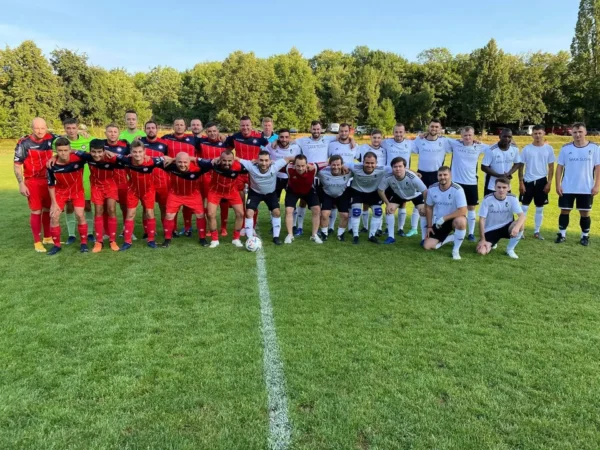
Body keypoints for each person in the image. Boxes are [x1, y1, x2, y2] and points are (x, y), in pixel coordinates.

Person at [105, 140, 165, 251]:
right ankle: (127, 241)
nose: (137, 154)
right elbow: (109, 154)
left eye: (140, 152)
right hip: (133, 190)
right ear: (131, 152)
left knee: (149, 212)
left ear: (144, 152)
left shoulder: (151, 161)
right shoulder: (126, 160)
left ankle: (151, 240)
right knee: (130, 213)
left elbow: (166, 159)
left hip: (148, 191)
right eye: (135, 152)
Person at [14, 117, 58, 252]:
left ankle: (47, 237)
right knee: (36, 210)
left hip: (49, 179)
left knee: (47, 209)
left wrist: (83, 133)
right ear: (32, 128)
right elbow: (17, 166)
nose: (40, 131)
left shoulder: (51, 138)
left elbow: (67, 142)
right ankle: (37, 242)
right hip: (32, 181)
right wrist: (21, 183)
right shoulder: (23, 143)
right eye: (37, 128)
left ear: (46, 128)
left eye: (43, 128)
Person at [555, 122, 600, 246]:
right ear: (571, 133)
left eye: (580, 131)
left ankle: (585, 236)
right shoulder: (566, 148)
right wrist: (557, 185)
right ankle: (562, 234)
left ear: (585, 132)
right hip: (568, 186)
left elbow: (598, 168)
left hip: (586, 187)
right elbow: (559, 167)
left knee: (585, 212)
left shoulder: (595, 148)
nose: (577, 134)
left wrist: (597, 185)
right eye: (575, 132)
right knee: (564, 211)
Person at [71, 139, 121, 252]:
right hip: (96, 185)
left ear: (104, 151)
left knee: (111, 209)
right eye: (93, 152)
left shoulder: (111, 158)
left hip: (110, 184)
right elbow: (72, 150)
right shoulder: (87, 156)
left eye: (99, 152)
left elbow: (127, 158)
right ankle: (99, 241)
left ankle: (112, 240)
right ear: (90, 151)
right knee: (98, 210)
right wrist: (54, 157)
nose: (96, 154)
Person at [159, 153, 215, 248]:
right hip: (175, 194)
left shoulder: (198, 168)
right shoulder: (169, 165)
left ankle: (202, 238)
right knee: (169, 215)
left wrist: (194, 158)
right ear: (175, 162)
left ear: (190, 162)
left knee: (200, 215)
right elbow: (152, 160)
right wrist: (172, 159)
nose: (182, 165)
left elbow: (213, 162)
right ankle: (167, 239)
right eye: (179, 162)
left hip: (193, 194)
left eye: (185, 162)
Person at [224, 116, 270, 233]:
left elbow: (271, 148)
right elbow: (226, 151)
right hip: (239, 174)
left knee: (252, 201)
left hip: (254, 173)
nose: (245, 127)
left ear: (251, 124)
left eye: (247, 125)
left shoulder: (259, 137)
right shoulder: (234, 137)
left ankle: (252, 226)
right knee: (240, 202)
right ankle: (243, 225)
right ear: (240, 126)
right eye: (242, 125)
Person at [239, 151, 294, 245]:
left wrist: (306, 163)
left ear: (270, 161)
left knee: (276, 212)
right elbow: (236, 159)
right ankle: (249, 238)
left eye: (266, 160)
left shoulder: (275, 165)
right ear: (257, 160)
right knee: (249, 213)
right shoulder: (250, 165)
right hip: (255, 193)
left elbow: (289, 158)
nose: (264, 163)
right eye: (261, 160)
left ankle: (276, 237)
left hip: (270, 193)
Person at [46, 138, 89, 255]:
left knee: (80, 215)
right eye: (60, 150)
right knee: (54, 216)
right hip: (60, 193)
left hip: (77, 192)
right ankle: (56, 245)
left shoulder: (78, 159)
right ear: (56, 151)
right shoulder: (51, 165)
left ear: (69, 149)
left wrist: (75, 150)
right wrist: (54, 203)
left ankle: (84, 243)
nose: (63, 153)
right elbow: (50, 185)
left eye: (66, 150)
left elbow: (91, 156)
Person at [446, 126, 489, 241]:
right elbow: (440, 138)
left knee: (471, 207)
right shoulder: (455, 144)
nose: (467, 137)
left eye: (470, 135)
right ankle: (455, 229)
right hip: (456, 182)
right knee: (455, 207)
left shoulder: (479, 146)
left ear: (473, 135)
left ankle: (470, 233)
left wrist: (512, 144)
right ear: (461, 136)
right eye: (465, 135)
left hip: (471, 182)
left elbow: (493, 148)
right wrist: (423, 135)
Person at [58, 118, 95, 244]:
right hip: (68, 180)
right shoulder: (59, 141)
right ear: (64, 129)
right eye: (68, 128)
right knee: (70, 207)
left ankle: (90, 233)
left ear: (77, 128)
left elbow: (96, 151)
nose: (71, 131)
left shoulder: (88, 140)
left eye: (73, 128)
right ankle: (71, 234)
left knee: (88, 206)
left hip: (85, 178)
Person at [378, 156, 428, 245]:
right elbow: (380, 190)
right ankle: (391, 237)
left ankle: (424, 239)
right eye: (395, 167)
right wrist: (387, 203)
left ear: (404, 167)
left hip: (415, 195)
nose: (398, 169)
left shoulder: (412, 177)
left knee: (423, 212)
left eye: (400, 166)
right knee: (389, 210)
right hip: (399, 195)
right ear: (392, 168)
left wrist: (426, 206)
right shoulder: (388, 177)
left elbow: (425, 191)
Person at [518, 125, 555, 240]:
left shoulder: (549, 149)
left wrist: (549, 183)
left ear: (544, 133)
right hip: (528, 181)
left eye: (540, 133)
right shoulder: (526, 149)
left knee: (540, 208)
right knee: (524, 207)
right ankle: (520, 230)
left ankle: (537, 231)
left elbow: (551, 167)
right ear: (532, 134)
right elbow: (520, 166)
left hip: (541, 181)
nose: (538, 135)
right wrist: (521, 182)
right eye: (535, 133)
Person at [423, 166, 468, 260]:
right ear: (437, 176)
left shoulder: (458, 189)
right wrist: (430, 226)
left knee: (461, 222)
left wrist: (444, 218)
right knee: (427, 246)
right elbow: (429, 208)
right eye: (440, 175)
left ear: (450, 175)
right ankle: (451, 238)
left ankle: (455, 250)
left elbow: (463, 210)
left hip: (454, 218)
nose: (442, 177)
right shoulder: (432, 189)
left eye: (445, 175)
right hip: (440, 223)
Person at [381, 123, 417, 237]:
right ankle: (387, 227)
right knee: (389, 203)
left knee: (403, 203)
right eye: (396, 132)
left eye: (401, 132)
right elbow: (374, 142)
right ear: (393, 132)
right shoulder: (386, 143)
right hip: (389, 177)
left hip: (404, 177)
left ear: (405, 132)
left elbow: (423, 141)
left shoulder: (410, 144)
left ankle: (400, 228)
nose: (398, 134)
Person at [476, 178, 526, 259]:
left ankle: (510, 250)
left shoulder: (512, 198)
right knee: (481, 252)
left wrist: (516, 228)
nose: (501, 190)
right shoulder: (487, 199)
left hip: (506, 227)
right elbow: (481, 220)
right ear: (495, 187)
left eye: (504, 187)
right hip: (490, 230)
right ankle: (493, 243)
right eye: (499, 187)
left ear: (508, 188)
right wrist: (482, 239)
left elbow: (522, 216)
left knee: (520, 225)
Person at [205, 150, 246, 248]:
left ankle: (236, 239)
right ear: (220, 159)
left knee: (240, 214)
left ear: (233, 160)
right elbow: (197, 161)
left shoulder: (238, 166)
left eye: (229, 161)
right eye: (224, 160)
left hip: (231, 191)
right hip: (215, 192)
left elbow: (252, 165)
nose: (227, 163)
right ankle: (214, 240)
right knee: (210, 214)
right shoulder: (213, 164)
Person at [198, 122, 231, 236]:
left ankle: (223, 227)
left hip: (222, 177)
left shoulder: (225, 143)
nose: (212, 133)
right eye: (210, 131)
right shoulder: (201, 141)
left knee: (224, 202)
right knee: (209, 202)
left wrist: (224, 136)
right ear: (206, 132)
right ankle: (209, 228)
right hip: (207, 177)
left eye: (214, 131)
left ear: (218, 131)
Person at [284, 155, 325, 244]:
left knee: (317, 209)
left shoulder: (313, 167)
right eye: (298, 166)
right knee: (288, 210)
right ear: (294, 165)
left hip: (308, 190)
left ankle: (314, 235)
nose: (300, 168)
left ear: (307, 164)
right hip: (293, 190)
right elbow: (274, 164)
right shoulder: (289, 167)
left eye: (303, 166)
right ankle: (290, 235)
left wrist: (343, 165)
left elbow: (328, 162)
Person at [347, 152, 387, 244]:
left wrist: (415, 173)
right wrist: (345, 167)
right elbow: (345, 164)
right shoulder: (355, 167)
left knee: (378, 212)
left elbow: (401, 169)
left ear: (376, 163)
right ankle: (355, 235)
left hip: (373, 192)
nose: (370, 165)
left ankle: (371, 235)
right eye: (367, 163)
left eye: (372, 163)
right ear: (363, 162)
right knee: (356, 212)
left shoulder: (382, 169)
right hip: (357, 191)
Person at [101, 124, 131, 236]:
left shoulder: (125, 145)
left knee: (125, 206)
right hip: (106, 178)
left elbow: (130, 159)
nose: (112, 134)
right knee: (106, 206)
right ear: (105, 133)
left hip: (121, 178)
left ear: (119, 134)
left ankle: (126, 230)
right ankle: (106, 232)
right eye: (110, 131)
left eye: (115, 132)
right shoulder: (101, 144)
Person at [326, 122, 356, 234]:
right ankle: (331, 227)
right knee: (333, 205)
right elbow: (327, 160)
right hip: (334, 179)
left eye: (346, 131)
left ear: (349, 132)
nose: (343, 133)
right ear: (338, 132)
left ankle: (351, 227)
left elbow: (358, 160)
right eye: (341, 131)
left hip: (348, 180)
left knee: (349, 205)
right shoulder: (332, 145)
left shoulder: (354, 146)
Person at [356, 129, 385, 234]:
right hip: (366, 179)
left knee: (378, 205)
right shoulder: (363, 148)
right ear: (370, 137)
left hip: (379, 180)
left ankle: (379, 228)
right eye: (374, 137)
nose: (376, 140)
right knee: (365, 204)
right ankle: (365, 226)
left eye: (378, 138)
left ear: (381, 138)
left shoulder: (384, 149)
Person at [317, 155, 353, 241]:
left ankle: (340, 234)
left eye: (338, 164)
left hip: (342, 194)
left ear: (342, 165)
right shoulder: (322, 172)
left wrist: (346, 167)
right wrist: (324, 164)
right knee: (325, 214)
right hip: (327, 194)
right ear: (329, 165)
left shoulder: (348, 172)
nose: (336, 167)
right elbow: (312, 168)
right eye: (333, 165)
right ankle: (324, 234)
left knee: (345, 215)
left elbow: (360, 170)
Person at [481, 128, 521, 196]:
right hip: (491, 185)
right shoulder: (491, 149)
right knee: (490, 205)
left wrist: (509, 173)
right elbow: (484, 167)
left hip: (506, 184)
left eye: (509, 137)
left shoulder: (515, 149)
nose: (507, 139)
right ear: (499, 136)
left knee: (506, 205)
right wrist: (499, 176)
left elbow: (517, 163)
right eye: (504, 136)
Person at [266, 128, 301, 200]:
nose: (284, 139)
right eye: (281, 137)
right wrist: (274, 140)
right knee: (274, 203)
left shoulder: (296, 147)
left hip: (290, 178)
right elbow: (261, 150)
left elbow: (300, 161)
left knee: (291, 203)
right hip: (275, 178)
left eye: (286, 137)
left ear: (289, 138)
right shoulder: (271, 146)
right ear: (278, 137)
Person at [414, 119, 451, 188]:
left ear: (440, 129)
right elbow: (406, 144)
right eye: (432, 126)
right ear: (428, 127)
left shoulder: (444, 141)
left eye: (436, 127)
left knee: (436, 197)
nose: (434, 128)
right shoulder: (419, 139)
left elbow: (460, 142)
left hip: (437, 174)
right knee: (421, 197)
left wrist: (474, 140)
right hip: (421, 174)